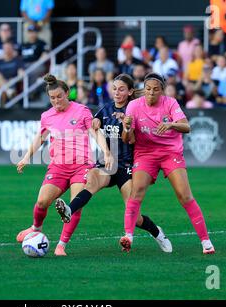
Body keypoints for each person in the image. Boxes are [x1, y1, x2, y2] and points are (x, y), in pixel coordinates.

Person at [54, 74, 173, 253]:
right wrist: (95, 121)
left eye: (121, 89)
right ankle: (69, 210)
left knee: (135, 215)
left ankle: (157, 233)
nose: (117, 92)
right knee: (92, 182)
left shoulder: (133, 110)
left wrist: (127, 125)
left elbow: (133, 138)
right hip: (108, 164)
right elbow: (95, 122)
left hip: (127, 166)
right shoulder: (106, 108)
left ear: (130, 91)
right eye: (115, 88)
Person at [16, 74, 114, 256]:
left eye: (59, 96)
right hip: (58, 166)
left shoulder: (82, 110)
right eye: (52, 98)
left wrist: (107, 152)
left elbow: (95, 132)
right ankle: (35, 228)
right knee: (42, 201)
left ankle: (61, 245)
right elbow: (41, 137)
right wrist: (26, 157)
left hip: (81, 166)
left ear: (67, 93)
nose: (56, 101)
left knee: (74, 205)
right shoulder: (47, 116)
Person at [120, 72, 215, 255]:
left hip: (170, 152)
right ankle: (128, 237)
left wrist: (171, 125)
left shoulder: (170, 103)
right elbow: (127, 139)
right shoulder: (133, 105)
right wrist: (126, 127)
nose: (151, 93)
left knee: (184, 195)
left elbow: (187, 126)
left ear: (162, 90)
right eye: (148, 89)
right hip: (145, 153)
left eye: (156, 90)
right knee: (137, 190)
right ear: (144, 89)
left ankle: (206, 241)